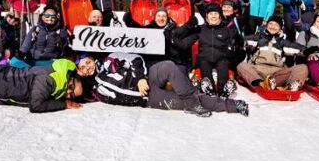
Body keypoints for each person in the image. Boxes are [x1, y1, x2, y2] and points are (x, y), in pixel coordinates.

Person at [87, 52, 248, 117]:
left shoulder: (110, 59)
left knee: (169, 66)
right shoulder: (95, 90)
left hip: (148, 76)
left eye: (87, 62)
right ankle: (232, 105)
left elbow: (134, 58)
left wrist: (140, 78)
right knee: (187, 100)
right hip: (149, 99)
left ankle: (192, 101)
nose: (87, 67)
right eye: (83, 68)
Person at [236, 16, 308, 90]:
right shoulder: (258, 39)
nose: (273, 27)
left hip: (277, 74)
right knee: (241, 66)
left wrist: (309, 51)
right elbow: (244, 41)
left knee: (302, 67)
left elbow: (298, 49)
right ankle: (261, 84)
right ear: (266, 25)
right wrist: (239, 41)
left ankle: (291, 86)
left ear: (280, 28)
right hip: (258, 71)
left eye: (276, 25)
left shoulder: (283, 43)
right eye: (271, 24)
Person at [195, 2, 243, 97]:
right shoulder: (200, 29)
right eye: (211, 14)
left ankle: (223, 91)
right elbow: (186, 41)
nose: (213, 16)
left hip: (221, 57)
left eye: (216, 14)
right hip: (204, 57)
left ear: (220, 16)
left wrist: (234, 44)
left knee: (223, 70)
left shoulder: (226, 30)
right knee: (205, 71)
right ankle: (210, 90)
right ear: (206, 16)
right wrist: (189, 25)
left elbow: (239, 43)